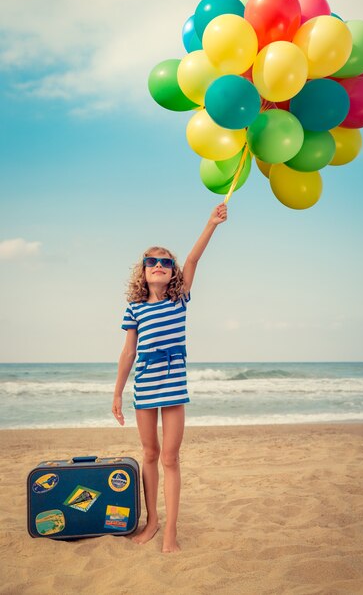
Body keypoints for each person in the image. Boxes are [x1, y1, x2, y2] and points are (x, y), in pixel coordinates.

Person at [112, 203, 228, 553]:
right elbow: (128, 352)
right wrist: (117, 393)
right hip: (144, 384)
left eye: (165, 262)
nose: (159, 265)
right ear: (143, 271)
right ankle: (153, 521)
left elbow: (192, 261)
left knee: (170, 458)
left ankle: (171, 532)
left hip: (174, 384)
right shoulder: (135, 308)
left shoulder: (179, 299)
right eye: (152, 262)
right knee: (149, 453)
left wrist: (211, 223)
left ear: (172, 271)